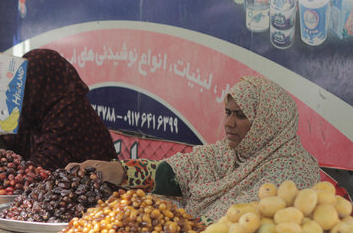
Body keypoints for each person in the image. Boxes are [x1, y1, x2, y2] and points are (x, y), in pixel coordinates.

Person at [69, 76, 320, 223]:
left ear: (267, 122)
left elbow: (242, 225)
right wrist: (114, 170)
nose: (228, 123)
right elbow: (177, 173)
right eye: (228, 112)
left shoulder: (292, 171)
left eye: (241, 116)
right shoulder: (227, 153)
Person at [0, 48, 118, 171]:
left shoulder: (71, 117)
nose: (19, 92)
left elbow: (37, 172)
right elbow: (13, 154)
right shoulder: (39, 112)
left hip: (100, 203)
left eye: (26, 84)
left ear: (41, 85)